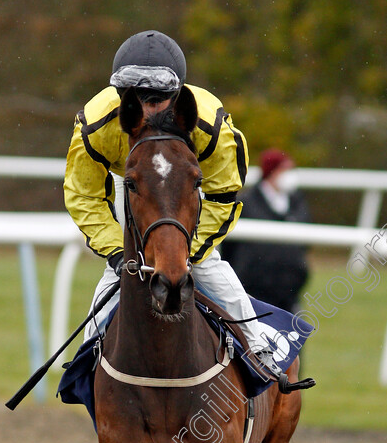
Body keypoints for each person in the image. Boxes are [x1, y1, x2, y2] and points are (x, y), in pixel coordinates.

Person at [63, 30, 282, 377]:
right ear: (120, 97)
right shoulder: (96, 125)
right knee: (96, 324)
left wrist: (186, 251)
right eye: (137, 99)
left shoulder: (210, 126)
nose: (148, 110)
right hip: (137, 194)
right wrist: (118, 254)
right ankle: (86, 369)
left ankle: (263, 353)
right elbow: (83, 194)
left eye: (158, 98)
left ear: (177, 94)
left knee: (215, 274)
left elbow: (224, 193)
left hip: (185, 207)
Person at [221, 148, 310, 313]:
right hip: (254, 288)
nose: (290, 175)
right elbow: (229, 247)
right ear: (272, 171)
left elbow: (305, 242)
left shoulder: (297, 201)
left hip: (290, 289)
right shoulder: (245, 202)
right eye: (285, 169)